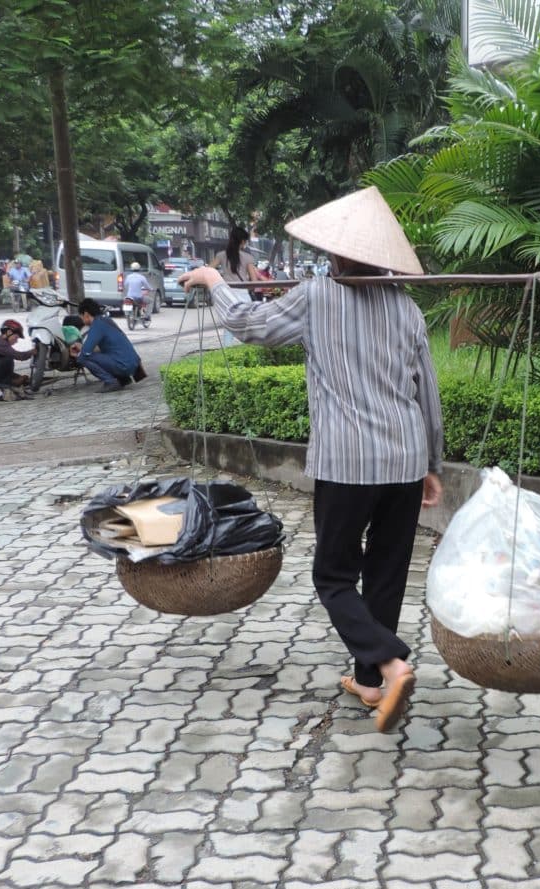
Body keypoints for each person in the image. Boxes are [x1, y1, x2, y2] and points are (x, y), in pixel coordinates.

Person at [179, 186, 442, 733]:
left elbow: (251, 325)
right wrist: (432, 464)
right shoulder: (408, 307)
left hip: (348, 463)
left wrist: (214, 282)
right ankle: (369, 682)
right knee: (387, 571)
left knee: (334, 576)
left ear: (339, 254)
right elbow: (427, 392)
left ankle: (391, 664)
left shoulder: (317, 296)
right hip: (404, 458)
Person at [72, 299, 141, 392]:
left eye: (81, 316)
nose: (81, 319)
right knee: (100, 353)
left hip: (123, 365)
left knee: (82, 357)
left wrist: (78, 350)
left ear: (86, 314)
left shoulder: (97, 325)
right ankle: (123, 379)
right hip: (133, 364)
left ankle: (110, 381)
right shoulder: (106, 320)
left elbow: (86, 352)